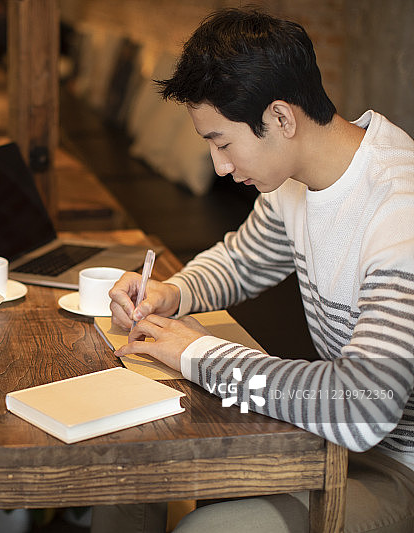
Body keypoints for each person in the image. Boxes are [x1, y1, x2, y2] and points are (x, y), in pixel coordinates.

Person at [96, 8, 414, 533]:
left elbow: (364, 407)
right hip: (324, 439)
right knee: (129, 464)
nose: (220, 165)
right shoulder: (295, 176)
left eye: (222, 142)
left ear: (282, 119)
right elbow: (243, 260)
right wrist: (170, 294)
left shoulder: (397, 208)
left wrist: (198, 352)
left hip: (394, 467)